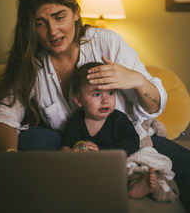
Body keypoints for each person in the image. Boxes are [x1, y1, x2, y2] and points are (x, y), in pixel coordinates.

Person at [0, 0, 189, 209]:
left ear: (75, 12)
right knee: (33, 137)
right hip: (72, 149)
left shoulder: (108, 43)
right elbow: (4, 115)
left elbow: (155, 106)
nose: (53, 31)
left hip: (130, 141)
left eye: (59, 16)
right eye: (40, 23)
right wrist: (12, 161)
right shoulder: (31, 64)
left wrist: (134, 79)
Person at [61, 62, 179, 201]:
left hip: (114, 163)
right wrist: (70, 153)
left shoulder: (118, 119)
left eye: (111, 92)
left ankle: (135, 187)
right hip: (89, 168)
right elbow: (66, 145)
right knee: (71, 173)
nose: (106, 100)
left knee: (129, 171)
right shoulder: (75, 121)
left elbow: (131, 143)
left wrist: (101, 152)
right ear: (78, 99)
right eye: (97, 94)